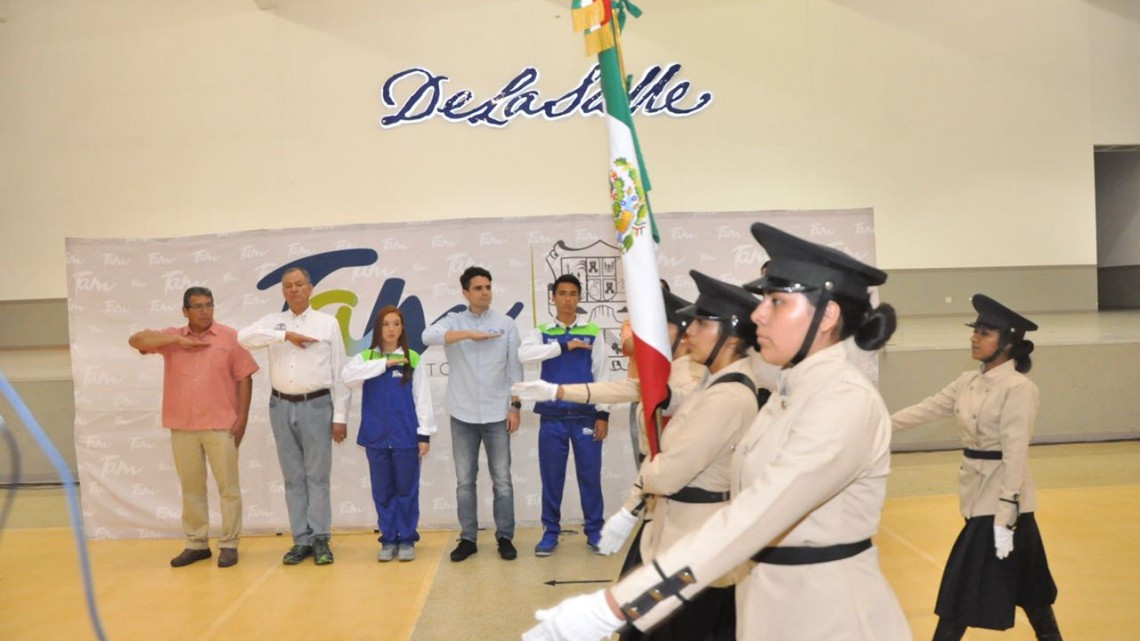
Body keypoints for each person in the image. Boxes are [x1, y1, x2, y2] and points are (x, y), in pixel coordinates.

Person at [522, 222, 910, 641]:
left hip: (828, 617)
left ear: (827, 315)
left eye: (777, 301)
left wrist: (615, 606)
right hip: (772, 604)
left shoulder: (842, 400)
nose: (758, 314)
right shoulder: (791, 390)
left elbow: (753, 516)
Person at [522, 270, 764, 641]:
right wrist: (558, 391)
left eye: (701, 323)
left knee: (669, 624)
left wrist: (628, 507)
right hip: (675, 524)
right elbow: (636, 389)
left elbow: (668, 469)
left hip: (693, 533)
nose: (691, 331)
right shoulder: (709, 379)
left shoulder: (722, 391)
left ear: (730, 335)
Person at [891, 294, 1062, 641]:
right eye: (975, 331)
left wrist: (1007, 508)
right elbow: (926, 408)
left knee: (959, 591)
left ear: (1007, 342)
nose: (974, 338)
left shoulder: (1018, 388)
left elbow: (1016, 451)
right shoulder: (967, 381)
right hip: (977, 496)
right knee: (1031, 589)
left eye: (985, 333)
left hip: (1001, 504)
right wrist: (875, 423)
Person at [129, 287, 258, 568]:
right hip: (182, 425)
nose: (205, 311)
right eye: (198, 306)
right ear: (185, 311)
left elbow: (245, 377)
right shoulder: (171, 337)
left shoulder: (230, 337)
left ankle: (229, 543)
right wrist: (176, 340)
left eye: (209, 305)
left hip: (220, 424)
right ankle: (197, 544)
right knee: (191, 488)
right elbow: (135, 340)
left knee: (228, 488)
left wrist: (242, 418)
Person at [238, 267, 348, 566]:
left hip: (317, 406)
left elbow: (339, 372)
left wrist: (340, 416)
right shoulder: (273, 322)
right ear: (283, 291)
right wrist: (284, 335)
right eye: (288, 285)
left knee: (318, 476)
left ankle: (321, 538)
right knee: (293, 477)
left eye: (300, 284)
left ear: (310, 288)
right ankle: (301, 540)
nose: (294, 289)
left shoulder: (327, 323)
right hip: (280, 406)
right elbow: (243, 338)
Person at [422, 265, 523, 562]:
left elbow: (515, 370)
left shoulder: (506, 324)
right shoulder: (454, 321)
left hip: (497, 413)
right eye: (478, 288)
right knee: (465, 481)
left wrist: (515, 406)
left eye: (488, 287)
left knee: (502, 481)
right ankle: (468, 538)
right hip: (462, 413)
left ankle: (505, 537)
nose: (485, 292)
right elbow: (427, 336)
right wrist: (468, 334)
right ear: (465, 293)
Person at [518, 274, 611, 556]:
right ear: (553, 297)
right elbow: (524, 355)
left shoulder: (592, 331)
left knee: (590, 477)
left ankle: (595, 532)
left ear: (579, 298)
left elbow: (602, 374)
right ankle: (550, 532)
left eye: (572, 294)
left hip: (585, 417)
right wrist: (562, 346)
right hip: (552, 417)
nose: (567, 299)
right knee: (552, 478)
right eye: (562, 293)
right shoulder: (542, 331)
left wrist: (603, 414)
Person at [342, 305, 437, 562]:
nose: (391, 329)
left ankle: (406, 539)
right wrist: (385, 363)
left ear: (402, 328)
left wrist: (424, 434)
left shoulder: (413, 358)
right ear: (378, 329)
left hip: (406, 437)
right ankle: (388, 539)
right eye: (386, 324)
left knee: (407, 491)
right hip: (376, 437)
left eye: (396, 324)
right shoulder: (366, 357)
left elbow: (422, 399)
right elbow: (347, 377)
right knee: (383, 492)